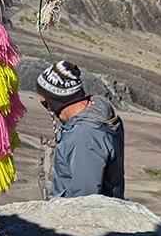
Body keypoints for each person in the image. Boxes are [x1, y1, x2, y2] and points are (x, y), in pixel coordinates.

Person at [36, 60, 125, 199]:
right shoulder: (99, 113)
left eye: (45, 103)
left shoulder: (84, 137)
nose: (48, 109)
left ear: (54, 101)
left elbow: (84, 201)